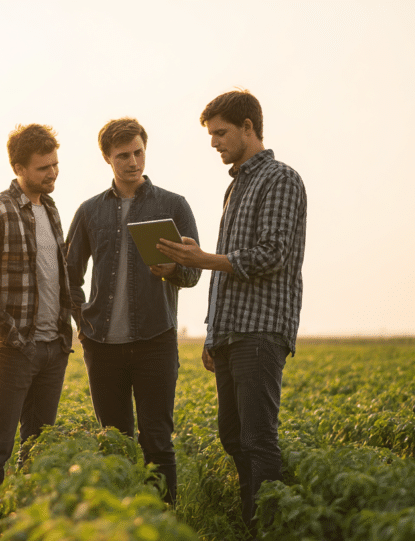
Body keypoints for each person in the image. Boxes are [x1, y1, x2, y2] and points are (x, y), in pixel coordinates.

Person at [156, 89, 307, 530]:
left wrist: (201, 258)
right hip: (232, 333)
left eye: (221, 133)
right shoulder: (237, 185)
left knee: (259, 440)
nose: (213, 142)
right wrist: (213, 333)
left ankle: (267, 528)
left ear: (248, 128)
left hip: (260, 332)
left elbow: (271, 254)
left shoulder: (280, 178)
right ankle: (252, 522)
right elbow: (229, 269)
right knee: (233, 436)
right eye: (210, 134)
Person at [66, 118, 200, 505]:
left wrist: (174, 269)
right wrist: (83, 322)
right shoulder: (89, 211)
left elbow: (193, 273)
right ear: (107, 158)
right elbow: (68, 274)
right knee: (115, 442)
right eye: (122, 155)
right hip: (102, 344)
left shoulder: (173, 205)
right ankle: (121, 523)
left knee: (157, 439)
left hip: (155, 340)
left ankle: (162, 521)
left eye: (138, 152)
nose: (132, 162)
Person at [0, 124, 73, 516]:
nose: (52, 173)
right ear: (18, 167)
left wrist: (66, 329)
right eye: (43, 167)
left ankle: (27, 519)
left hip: (52, 348)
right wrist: (6, 336)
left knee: (38, 445)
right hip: (14, 349)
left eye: (55, 165)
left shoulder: (50, 209)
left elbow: (58, 275)